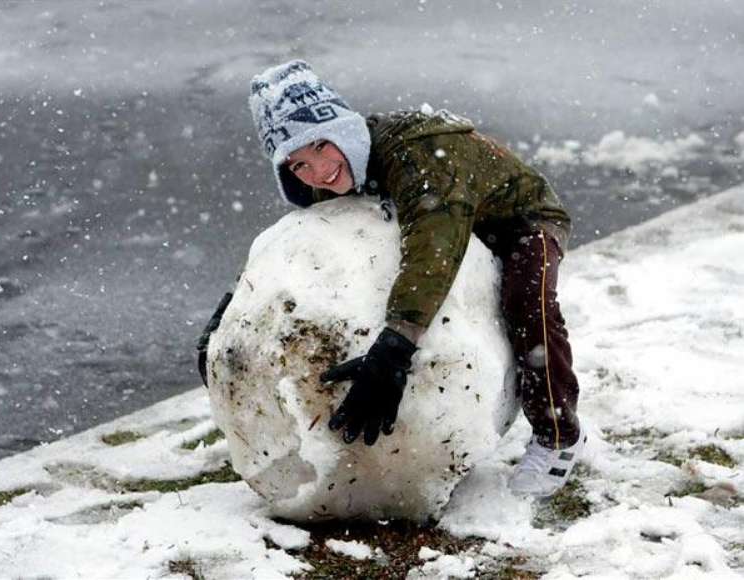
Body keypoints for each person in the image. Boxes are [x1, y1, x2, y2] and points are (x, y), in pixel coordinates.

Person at [202, 59, 587, 497]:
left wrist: (395, 347)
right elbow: (288, 247)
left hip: (519, 221)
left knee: (525, 302)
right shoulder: (330, 176)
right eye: (297, 165)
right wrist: (228, 316)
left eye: (321, 146)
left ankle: (559, 436)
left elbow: (433, 249)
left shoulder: (419, 153)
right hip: (442, 220)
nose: (318, 172)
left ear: (342, 130)